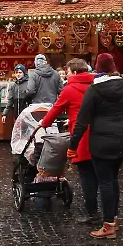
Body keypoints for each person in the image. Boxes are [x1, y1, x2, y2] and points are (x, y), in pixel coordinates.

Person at [69, 53, 123, 239]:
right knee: (114, 179)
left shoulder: (94, 90)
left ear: (98, 68)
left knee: (105, 182)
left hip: (101, 141)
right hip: (122, 139)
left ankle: (108, 224)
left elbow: (82, 121)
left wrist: (73, 146)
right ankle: (114, 218)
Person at [40, 58, 97, 223]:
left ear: (75, 72)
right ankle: (109, 215)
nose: (66, 75)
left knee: (87, 176)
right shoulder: (95, 86)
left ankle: (92, 212)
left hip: (81, 137)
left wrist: (44, 123)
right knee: (101, 175)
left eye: (68, 72)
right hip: (99, 134)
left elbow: (55, 110)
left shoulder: (69, 89)